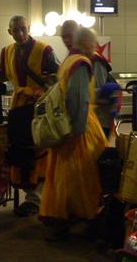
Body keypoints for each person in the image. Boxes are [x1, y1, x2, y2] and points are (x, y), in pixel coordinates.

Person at [39, 28, 108, 240]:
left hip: (64, 124)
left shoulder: (68, 61)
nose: (95, 48)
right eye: (93, 44)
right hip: (79, 127)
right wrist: (79, 131)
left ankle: (59, 217)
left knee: (62, 176)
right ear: (87, 44)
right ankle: (81, 216)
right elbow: (79, 98)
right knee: (83, 175)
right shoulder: (81, 64)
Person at [0, 15, 59, 217]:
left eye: (23, 29)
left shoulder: (45, 50)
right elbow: (4, 77)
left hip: (39, 107)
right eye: (15, 30)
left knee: (40, 149)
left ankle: (38, 197)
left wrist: (43, 91)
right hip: (18, 107)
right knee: (20, 149)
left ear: (29, 28)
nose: (20, 33)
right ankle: (30, 195)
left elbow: (59, 77)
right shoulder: (6, 52)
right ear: (9, 32)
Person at [60, 20, 118, 136]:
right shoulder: (76, 61)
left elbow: (94, 90)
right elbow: (79, 95)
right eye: (64, 37)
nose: (66, 41)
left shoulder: (91, 61)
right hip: (84, 121)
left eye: (69, 36)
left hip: (94, 119)